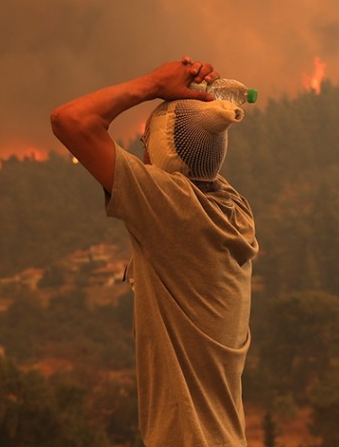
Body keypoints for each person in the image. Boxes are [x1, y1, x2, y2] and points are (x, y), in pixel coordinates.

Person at [50, 57, 259, 447]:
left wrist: (155, 84)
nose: (140, 153)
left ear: (158, 155)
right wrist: (198, 103)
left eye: (144, 142)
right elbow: (195, 157)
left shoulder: (171, 207)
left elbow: (70, 120)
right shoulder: (232, 210)